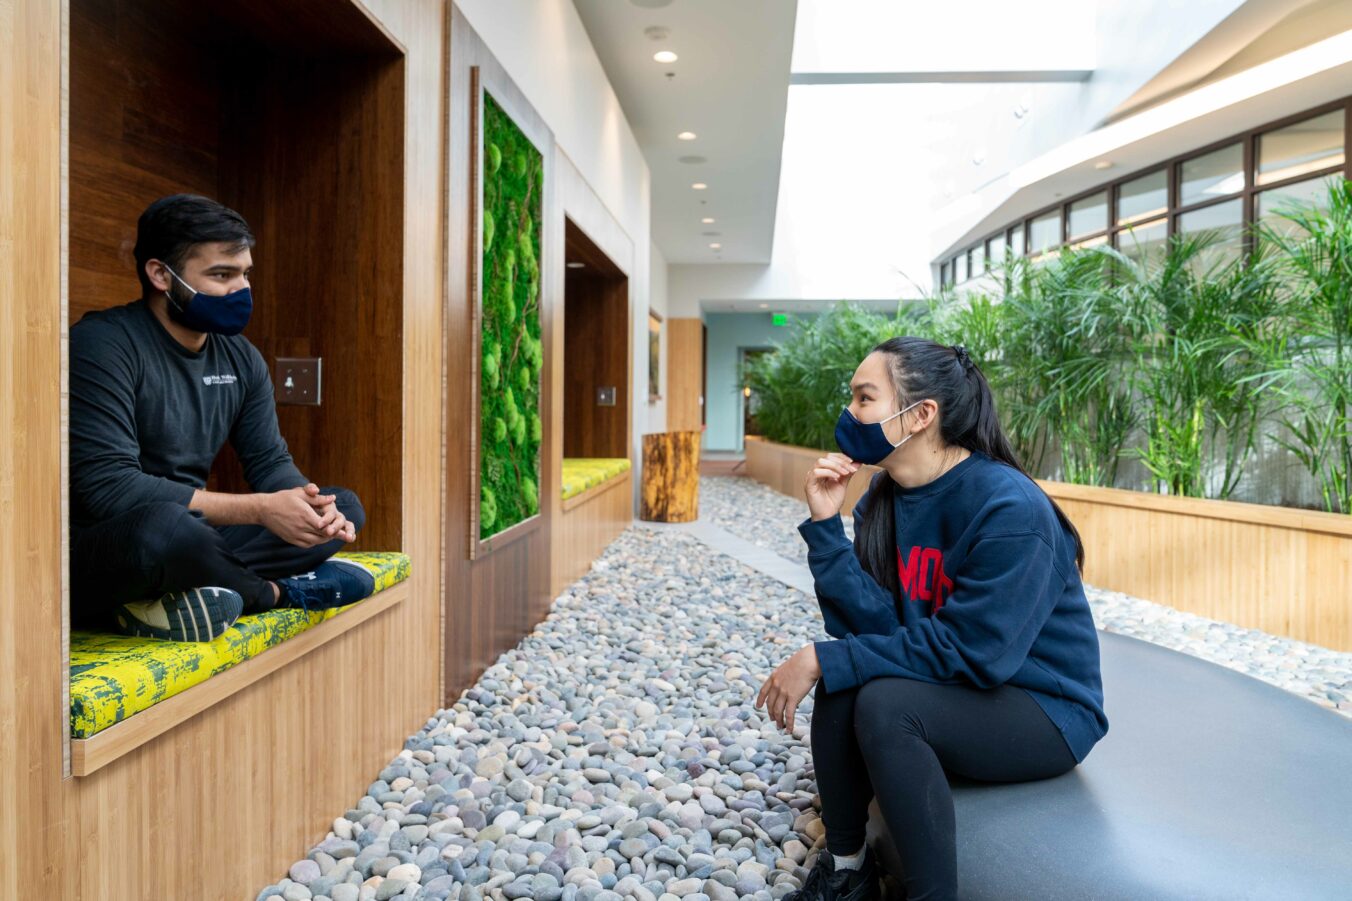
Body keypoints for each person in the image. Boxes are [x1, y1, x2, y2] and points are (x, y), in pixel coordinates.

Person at [756, 337, 1108, 901]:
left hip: (1044, 706)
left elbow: (977, 651)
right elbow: (871, 629)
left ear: (920, 415)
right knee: (846, 683)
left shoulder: (1010, 509)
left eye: (864, 398)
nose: (850, 414)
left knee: (879, 698)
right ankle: (848, 872)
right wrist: (826, 529)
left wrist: (826, 658)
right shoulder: (883, 498)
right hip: (961, 688)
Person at [69, 194, 370, 642]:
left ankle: (171, 600)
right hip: (112, 545)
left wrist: (311, 509)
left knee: (346, 505)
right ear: (160, 275)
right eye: (221, 275)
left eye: (245, 273)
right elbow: (109, 488)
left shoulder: (241, 358)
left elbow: (269, 462)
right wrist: (260, 510)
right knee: (167, 531)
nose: (240, 289)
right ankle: (274, 593)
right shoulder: (102, 345)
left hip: (193, 537)